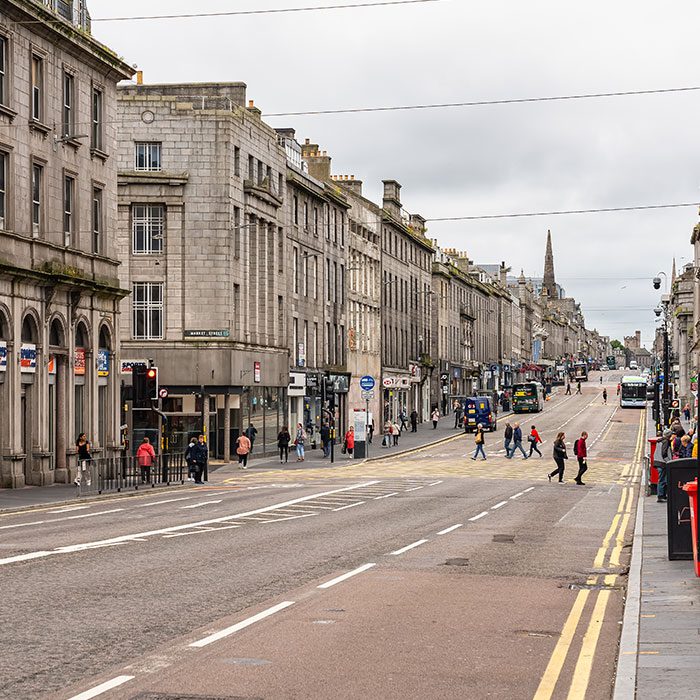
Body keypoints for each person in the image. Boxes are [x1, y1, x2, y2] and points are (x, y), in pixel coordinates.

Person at [657, 428, 672, 502]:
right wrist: (669, 461)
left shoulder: (660, 440)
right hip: (662, 463)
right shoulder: (665, 441)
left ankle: (662, 495)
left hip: (659, 462)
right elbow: (664, 453)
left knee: (662, 479)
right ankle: (660, 496)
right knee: (662, 480)